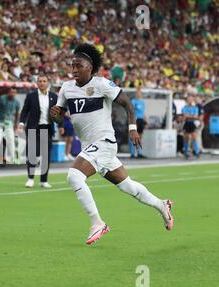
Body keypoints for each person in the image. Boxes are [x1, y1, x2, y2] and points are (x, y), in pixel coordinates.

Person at [50, 43, 174, 245]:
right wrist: (55, 115)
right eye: (72, 66)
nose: (73, 70)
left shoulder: (102, 84)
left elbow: (127, 103)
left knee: (74, 175)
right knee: (128, 187)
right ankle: (162, 205)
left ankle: (97, 223)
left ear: (89, 67)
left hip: (104, 142)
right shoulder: (66, 88)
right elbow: (59, 118)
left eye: (78, 66)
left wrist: (132, 128)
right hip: (89, 147)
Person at [18, 74, 58, 188]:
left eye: (44, 81)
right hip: (33, 127)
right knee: (32, 154)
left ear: (48, 83)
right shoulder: (31, 96)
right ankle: (30, 178)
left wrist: (60, 125)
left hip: (47, 128)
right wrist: (21, 123)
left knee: (45, 155)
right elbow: (24, 111)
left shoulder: (54, 96)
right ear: (37, 83)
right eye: (40, 81)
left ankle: (43, 181)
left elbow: (58, 113)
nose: (42, 83)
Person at [0, 87, 20, 164]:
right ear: (8, 92)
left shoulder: (16, 102)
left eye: (14, 92)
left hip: (9, 122)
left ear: (16, 94)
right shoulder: (2, 98)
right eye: (11, 92)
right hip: (0, 121)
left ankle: (11, 159)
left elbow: (17, 113)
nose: (12, 94)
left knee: (11, 140)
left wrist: (16, 124)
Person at [130, 87, 146, 158]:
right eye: (137, 93)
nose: (138, 94)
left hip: (141, 120)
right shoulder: (133, 101)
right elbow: (132, 110)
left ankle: (139, 153)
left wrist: (145, 119)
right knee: (133, 137)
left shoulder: (142, 102)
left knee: (140, 137)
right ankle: (132, 153)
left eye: (140, 93)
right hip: (135, 120)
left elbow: (143, 112)